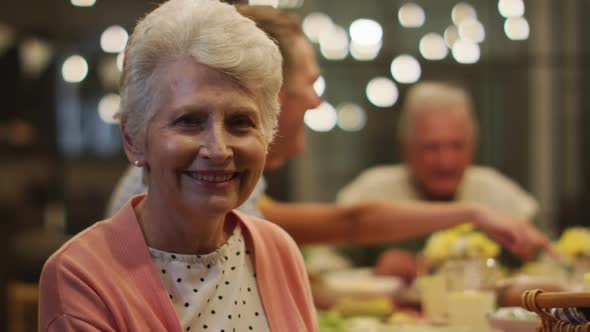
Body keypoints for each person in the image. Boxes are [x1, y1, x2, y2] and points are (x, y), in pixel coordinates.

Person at [105, 6, 548, 269]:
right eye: (311, 84)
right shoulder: (200, 179)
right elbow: (348, 223)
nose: (317, 103)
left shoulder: (235, 186)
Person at [38, 1, 317, 331]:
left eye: (241, 122)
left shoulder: (277, 249)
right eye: (189, 121)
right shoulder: (81, 276)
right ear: (133, 138)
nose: (218, 149)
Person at [337, 81, 543, 278]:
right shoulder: (371, 193)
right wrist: (373, 272)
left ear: (473, 146)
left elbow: (548, 262)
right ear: (406, 149)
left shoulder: (501, 196)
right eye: (432, 148)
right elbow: (323, 268)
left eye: (457, 146)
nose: (446, 162)